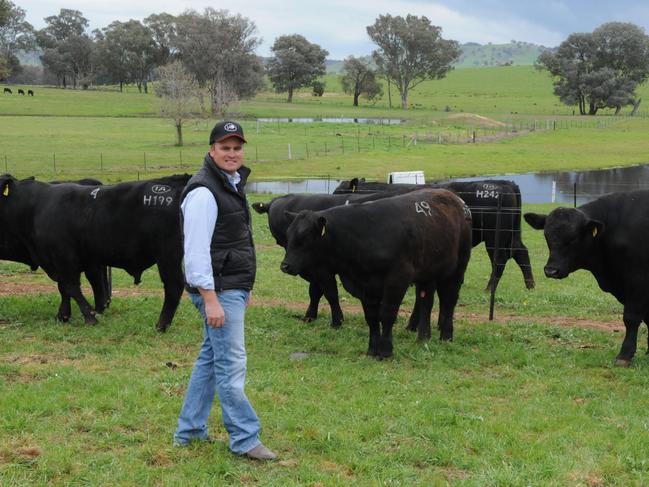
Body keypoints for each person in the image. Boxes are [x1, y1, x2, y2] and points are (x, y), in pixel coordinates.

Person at [173, 121, 276, 461]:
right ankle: (245, 439)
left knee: (210, 359)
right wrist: (212, 299)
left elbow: (233, 241)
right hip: (216, 290)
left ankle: (189, 432)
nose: (232, 154)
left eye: (237, 148)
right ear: (211, 150)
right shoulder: (204, 191)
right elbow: (197, 251)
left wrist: (242, 287)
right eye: (225, 148)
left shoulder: (229, 183)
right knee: (231, 365)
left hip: (230, 286)